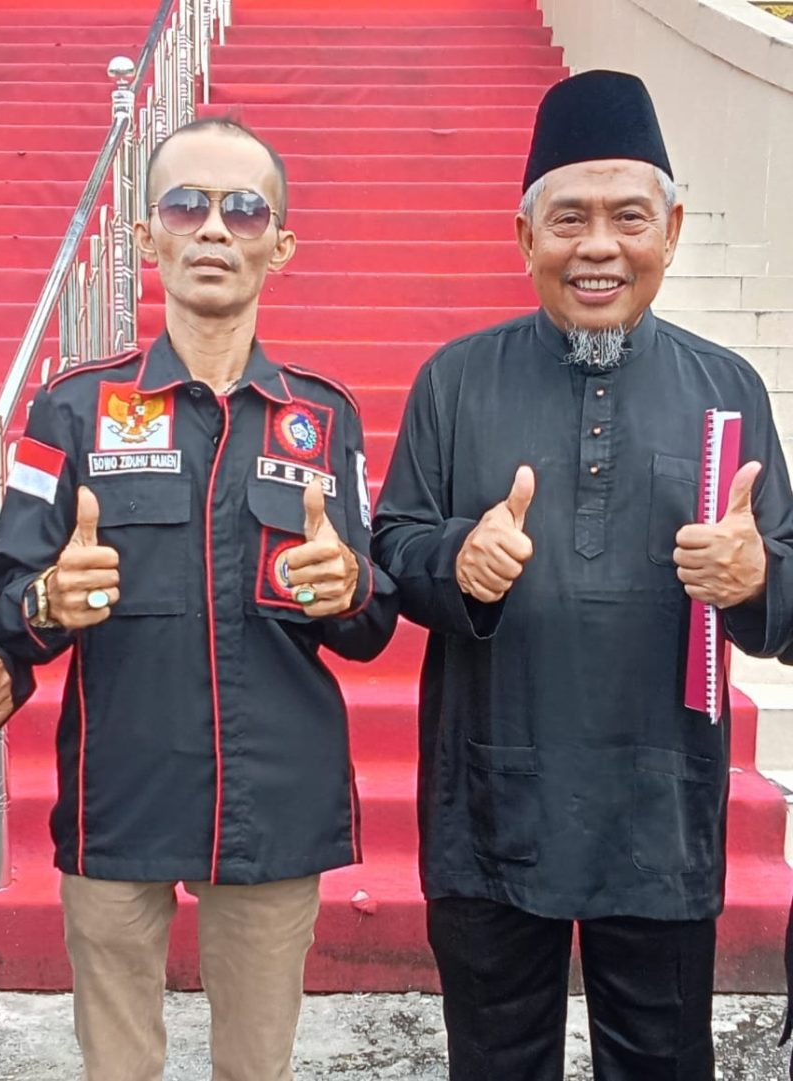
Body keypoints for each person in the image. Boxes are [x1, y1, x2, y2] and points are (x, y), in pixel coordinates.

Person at [372, 70, 793, 1080]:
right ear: (525, 238)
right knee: (495, 1061)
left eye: (627, 217)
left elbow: (783, 594)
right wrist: (458, 558)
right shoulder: (454, 381)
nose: (598, 245)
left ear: (671, 230)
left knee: (660, 1060)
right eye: (568, 218)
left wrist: (753, 578)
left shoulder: (726, 387)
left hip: (660, 807)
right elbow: (392, 550)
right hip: (488, 801)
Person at [0, 116, 397, 1081]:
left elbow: (371, 620)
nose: (215, 228)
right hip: (117, 792)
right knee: (117, 1066)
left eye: (245, 209)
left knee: (257, 1067)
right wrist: (45, 601)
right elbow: (8, 597)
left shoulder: (323, 417)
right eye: (187, 205)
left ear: (279, 244)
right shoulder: (71, 411)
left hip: (275, 800)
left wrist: (349, 587)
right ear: (147, 237)